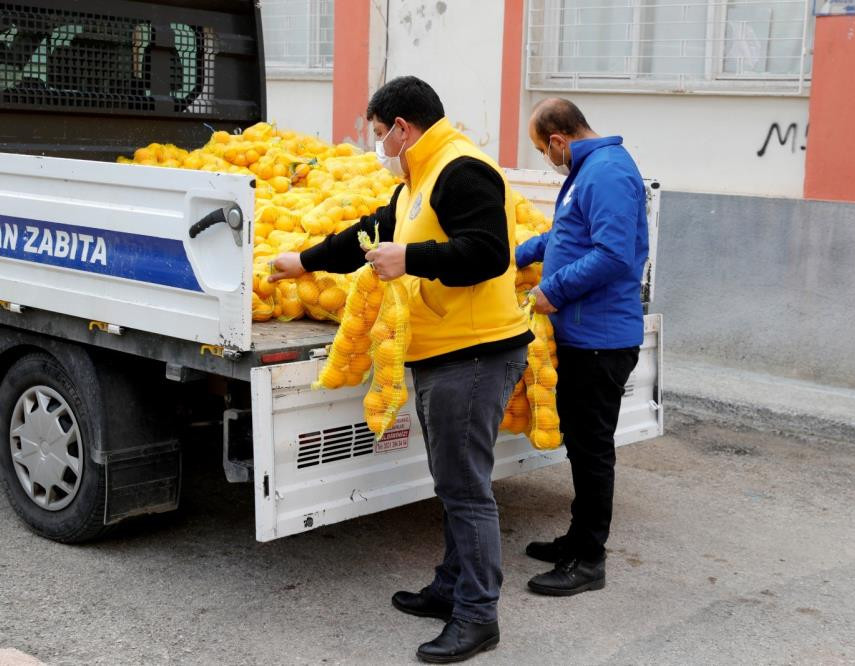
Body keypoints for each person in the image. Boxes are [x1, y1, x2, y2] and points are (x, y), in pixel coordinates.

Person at [269, 76, 532, 663]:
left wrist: (410, 259)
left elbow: (490, 255)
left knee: (466, 490)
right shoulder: (422, 176)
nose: (379, 147)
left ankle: (477, 616)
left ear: (403, 128)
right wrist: (303, 261)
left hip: (475, 353)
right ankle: (450, 587)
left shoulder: (464, 170)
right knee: (452, 483)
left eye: (380, 135)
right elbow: (371, 232)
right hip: (446, 351)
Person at [516, 98, 649, 596]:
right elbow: (567, 236)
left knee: (593, 452)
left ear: (558, 140)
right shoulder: (591, 171)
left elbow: (613, 256)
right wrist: (518, 254)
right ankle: (577, 538)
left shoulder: (608, 172)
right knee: (582, 447)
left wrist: (554, 290)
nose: (545, 159)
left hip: (601, 340)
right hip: (583, 337)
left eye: (541, 150)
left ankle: (590, 560)